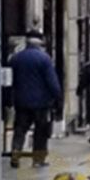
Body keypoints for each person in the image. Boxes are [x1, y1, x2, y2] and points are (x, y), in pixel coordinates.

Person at [9, 29, 62, 168]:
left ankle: (16, 153)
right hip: (41, 103)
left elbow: (10, 81)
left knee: (20, 129)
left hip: (21, 102)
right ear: (40, 42)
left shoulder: (16, 58)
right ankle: (38, 160)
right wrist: (58, 98)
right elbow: (52, 82)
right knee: (41, 131)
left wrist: (8, 99)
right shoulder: (44, 59)